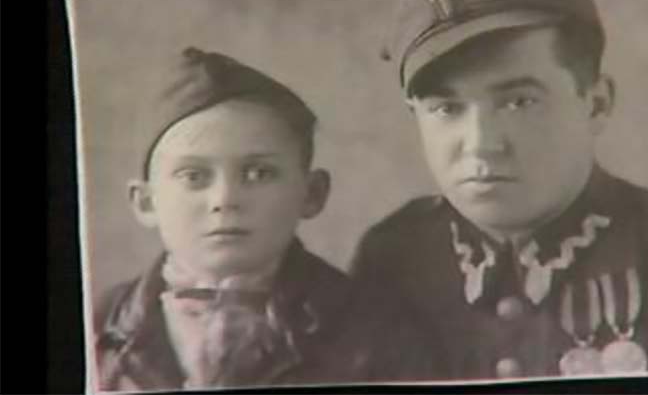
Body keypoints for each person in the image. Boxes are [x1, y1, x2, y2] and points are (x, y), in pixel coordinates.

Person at [354, 0, 648, 379]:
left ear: (596, 104)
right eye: (447, 109)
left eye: (519, 102)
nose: (482, 142)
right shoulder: (393, 259)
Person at [92, 47, 440, 392]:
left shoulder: (372, 330)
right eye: (193, 176)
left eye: (258, 173)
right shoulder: (100, 324)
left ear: (312, 194)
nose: (225, 200)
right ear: (146, 202)